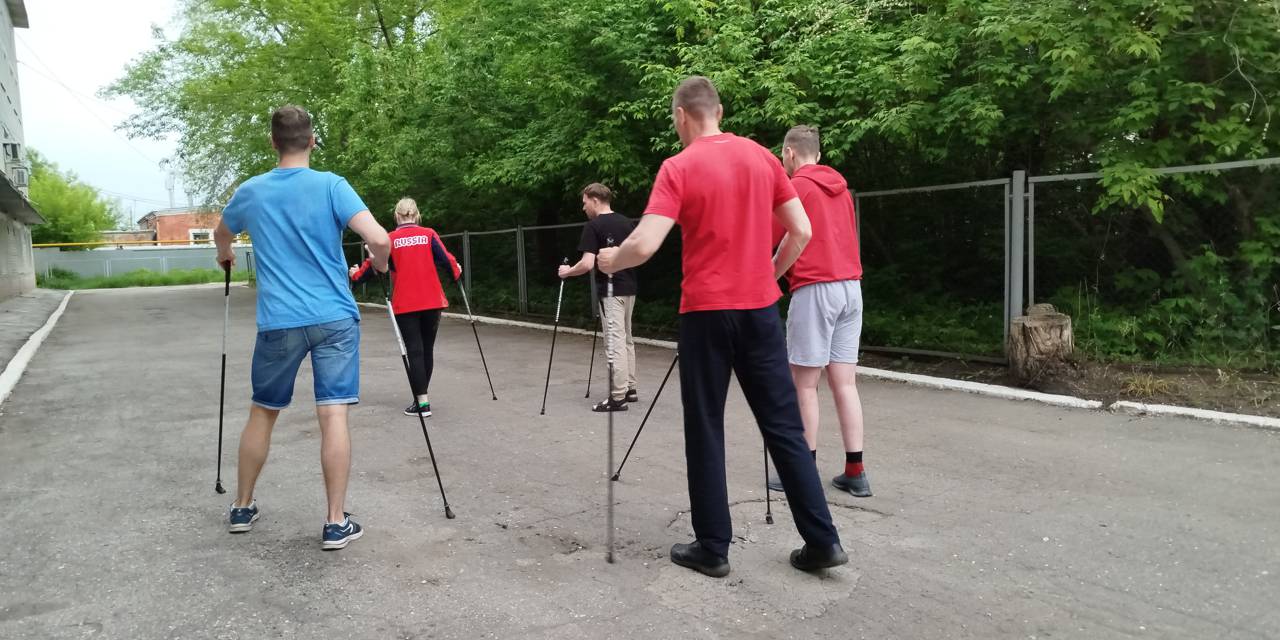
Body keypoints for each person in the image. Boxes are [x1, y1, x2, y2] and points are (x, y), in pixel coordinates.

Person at [598, 76, 848, 577]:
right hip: (760, 311)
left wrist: (611, 260)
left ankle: (713, 547)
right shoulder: (762, 158)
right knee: (784, 426)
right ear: (720, 111)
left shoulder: (678, 167)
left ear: (681, 116)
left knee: (706, 425)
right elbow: (801, 230)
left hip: (706, 313)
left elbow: (643, 245)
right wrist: (768, 277)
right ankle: (823, 542)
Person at [213, 105, 391, 550]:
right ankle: (334, 522)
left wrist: (225, 255)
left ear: (273, 142)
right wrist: (380, 265)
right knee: (333, 414)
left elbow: (221, 233)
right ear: (312, 141)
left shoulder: (252, 191)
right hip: (334, 318)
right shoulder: (332, 186)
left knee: (262, 411)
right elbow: (379, 238)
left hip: (279, 322)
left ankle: (242, 507)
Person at [767, 125, 870, 497]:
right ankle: (855, 472)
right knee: (845, 383)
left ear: (790, 153)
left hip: (815, 289)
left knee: (805, 384)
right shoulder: (841, 190)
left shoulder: (795, 188)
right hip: (851, 288)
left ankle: (802, 473)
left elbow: (772, 237)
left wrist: (768, 277)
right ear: (819, 155)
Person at [349, 197, 462, 418]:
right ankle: (421, 400)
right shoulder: (429, 234)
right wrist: (456, 272)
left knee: (414, 351)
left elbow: (374, 266)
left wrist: (356, 276)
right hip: (432, 301)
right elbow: (446, 260)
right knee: (426, 350)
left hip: (406, 303)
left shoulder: (390, 239)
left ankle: (422, 402)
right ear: (417, 214)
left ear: (396, 216)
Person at [558, 182, 639, 412]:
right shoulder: (627, 223)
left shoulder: (593, 226)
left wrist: (567, 272)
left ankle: (617, 397)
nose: (583, 207)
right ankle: (630, 388)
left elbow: (586, 264)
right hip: (630, 288)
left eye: (585, 203)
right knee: (626, 339)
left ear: (595, 200)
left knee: (614, 342)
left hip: (612, 292)